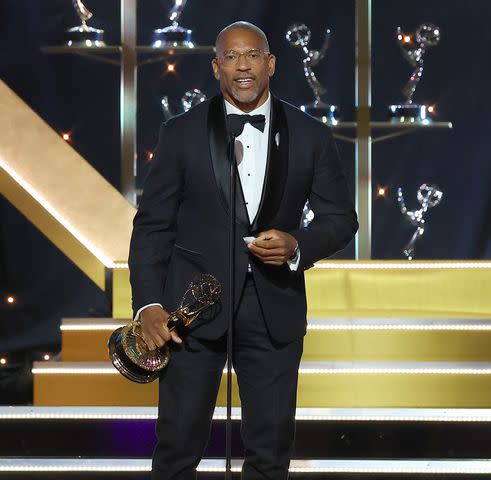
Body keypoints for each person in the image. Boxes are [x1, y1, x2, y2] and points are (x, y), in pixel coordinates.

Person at [128, 21, 358, 480]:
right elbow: (153, 225)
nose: (243, 66)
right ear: (216, 68)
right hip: (190, 312)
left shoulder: (311, 135)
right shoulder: (180, 133)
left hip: (274, 309)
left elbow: (341, 220)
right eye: (231, 57)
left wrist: (298, 245)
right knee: (176, 446)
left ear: (270, 63)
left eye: (252, 54)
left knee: (271, 452)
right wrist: (148, 304)